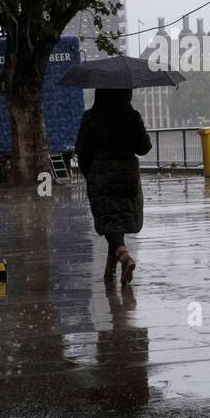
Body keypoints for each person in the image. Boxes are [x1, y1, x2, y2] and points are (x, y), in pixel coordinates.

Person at [75, 88, 152, 284]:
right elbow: (144, 147)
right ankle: (110, 269)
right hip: (127, 174)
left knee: (108, 218)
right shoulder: (131, 116)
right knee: (120, 216)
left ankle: (124, 255)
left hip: (100, 174)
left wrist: (89, 173)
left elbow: (82, 149)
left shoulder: (91, 117)